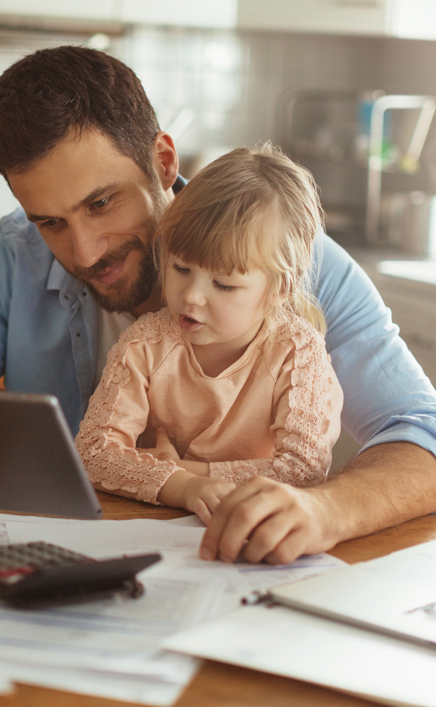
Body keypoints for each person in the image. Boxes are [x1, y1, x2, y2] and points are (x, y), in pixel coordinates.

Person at [0, 46, 436, 565]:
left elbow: (422, 432)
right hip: (59, 579)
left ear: (163, 163)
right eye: (48, 221)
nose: (84, 250)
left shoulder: (283, 258)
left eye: (101, 203)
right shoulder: (6, 259)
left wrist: (326, 509)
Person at [75, 144, 344, 531]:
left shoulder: (296, 353)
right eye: (181, 268)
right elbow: (94, 452)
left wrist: (191, 472)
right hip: (156, 527)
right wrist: (183, 487)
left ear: (280, 288)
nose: (192, 296)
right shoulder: (145, 345)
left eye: (223, 284)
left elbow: (303, 470)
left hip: (255, 532)